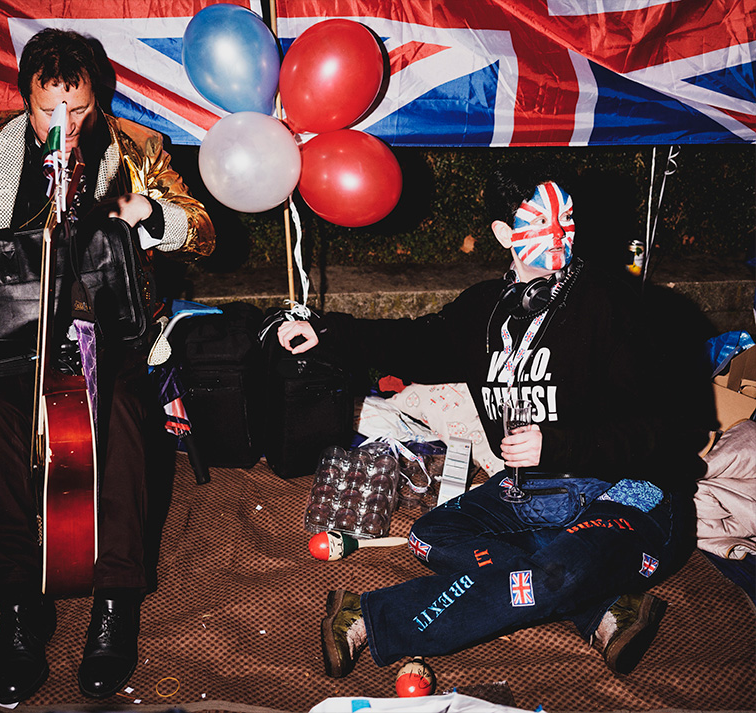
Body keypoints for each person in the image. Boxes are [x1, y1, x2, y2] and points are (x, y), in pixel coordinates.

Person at [278, 163, 706, 678]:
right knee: (432, 533)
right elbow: (415, 343)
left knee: (555, 571)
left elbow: (671, 430)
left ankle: (369, 615)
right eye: (539, 223)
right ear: (504, 234)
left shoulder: (617, 307)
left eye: (564, 220)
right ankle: (597, 605)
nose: (557, 236)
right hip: (529, 493)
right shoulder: (487, 308)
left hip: (628, 492)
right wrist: (328, 333)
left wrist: (559, 447)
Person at [0, 28, 215, 702]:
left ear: (97, 101)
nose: (63, 127)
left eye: (78, 110)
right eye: (49, 111)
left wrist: (148, 211)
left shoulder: (136, 149)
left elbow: (202, 225)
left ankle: (115, 599)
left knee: (126, 419)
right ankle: (18, 607)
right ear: (26, 100)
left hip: (114, 331)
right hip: (14, 333)